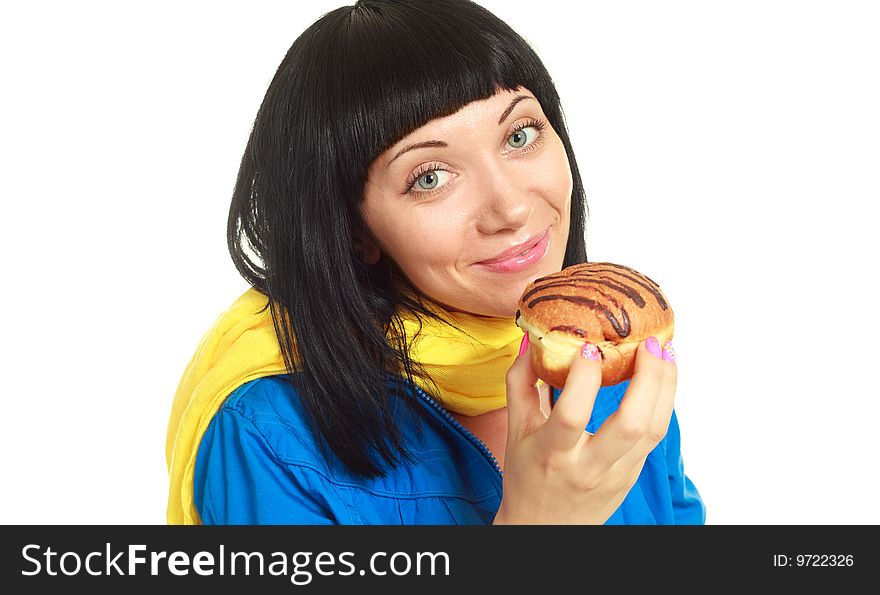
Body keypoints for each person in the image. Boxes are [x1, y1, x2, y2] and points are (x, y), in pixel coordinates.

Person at [166, 0, 705, 525]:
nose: (512, 208)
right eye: (430, 177)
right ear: (354, 231)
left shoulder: (606, 359)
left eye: (520, 135)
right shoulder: (268, 435)